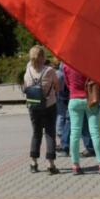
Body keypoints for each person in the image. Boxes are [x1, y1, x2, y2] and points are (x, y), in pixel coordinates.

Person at [63, 63, 100, 174]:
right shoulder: (88, 63)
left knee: (75, 133)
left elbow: (67, 83)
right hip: (90, 99)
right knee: (95, 132)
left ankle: (75, 165)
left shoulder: (66, 65)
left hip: (74, 100)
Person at [22, 45, 60, 174]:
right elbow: (57, 87)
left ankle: (33, 163)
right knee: (49, 133)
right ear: (43, 57)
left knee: (36, 133)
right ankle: (50, 164)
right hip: (49, 105)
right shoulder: (49, 70)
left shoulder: (28, 71)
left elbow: (25, 87)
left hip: (33, 107)